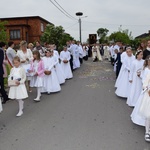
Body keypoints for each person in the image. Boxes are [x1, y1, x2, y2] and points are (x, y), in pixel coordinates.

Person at [131, 55, 150, 127]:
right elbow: (143, 78)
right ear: (147, 62)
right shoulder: (146, 69)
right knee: (143, 105)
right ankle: (142, 120)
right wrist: (146, 87)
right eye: (148, 61)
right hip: (147, 89)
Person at [138, 73, 150, 142]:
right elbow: (145, 84)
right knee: (148, 115)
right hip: (149, 97)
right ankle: (147, 132)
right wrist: (147, 88)